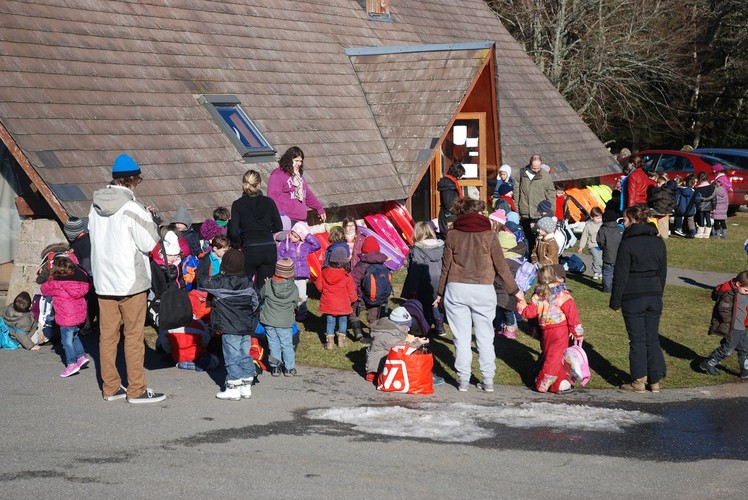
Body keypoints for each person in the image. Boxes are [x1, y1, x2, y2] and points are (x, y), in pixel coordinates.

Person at [88, 152, 165, 403]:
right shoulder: (133, 208)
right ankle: (137, 389)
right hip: (131, 281)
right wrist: (151, 219)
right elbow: (149, 242)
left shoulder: (95, 207)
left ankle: (110, 387)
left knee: (107, 337)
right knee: (133, 337)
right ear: (132, 180)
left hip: (104, 281)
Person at [435, 197, 521, 392]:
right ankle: (488, 380)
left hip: (456, 289)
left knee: (461, 338)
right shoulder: (489, 235)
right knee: (485, 337)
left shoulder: (452, 235)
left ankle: (463, 381)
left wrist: (440, 292)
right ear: (478, 213)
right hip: (483, 289)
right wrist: (515, 291)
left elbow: (445, 267)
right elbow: (502, 267)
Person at [610, 204, 667, 393]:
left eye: (625, 220)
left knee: (637, 339)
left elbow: (620, 275)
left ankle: (638, 380)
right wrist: (659, 293)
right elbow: (662, 272)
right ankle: (655, 380)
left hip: (633, 296)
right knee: (652, 337)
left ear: (633, 220)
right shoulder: (658, 241)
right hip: (653, 295)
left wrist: (615, 301)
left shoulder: (627, 243)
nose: (623, 224)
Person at [202, 248, 260, 400]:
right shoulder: (248, 282)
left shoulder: (220, 282)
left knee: (232, 355)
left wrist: (218, 272)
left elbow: (203, 282)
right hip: (245, 325)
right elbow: (256, 302)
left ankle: (233, 385)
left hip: (229, 325)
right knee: (244, 353)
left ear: (225, 264)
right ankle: (246, 382)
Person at [518, 265, 584, 393]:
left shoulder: (538, 296)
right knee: (553, 358)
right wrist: (578, 333)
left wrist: (521, 301)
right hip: (560, 330)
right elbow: (572, 314)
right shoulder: (563, 295)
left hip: (546, 330)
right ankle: (542, 382)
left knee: (554, 356)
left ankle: (558, 384)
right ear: (554, 276)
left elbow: (528, 313)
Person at [228, 169, 283, 288]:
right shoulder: (269, 202)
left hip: (250, 248)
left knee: (245, 286)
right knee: (264, 287)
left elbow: (233, 231)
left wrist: (240, 242)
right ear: (259, 185)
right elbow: (279, 226)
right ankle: (262, 306)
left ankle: (247, 306)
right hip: (269, 248)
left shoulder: (238, 204)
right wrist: (267, 229)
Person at [40, 254, 90, 378]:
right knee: (75, 335)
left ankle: (71, 363)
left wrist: (50, 277)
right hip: (78, 316)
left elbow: (44, 289)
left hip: (65, 317)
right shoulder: (80, 282)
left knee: (66, 341)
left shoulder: (56, 283)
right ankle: (81, 356)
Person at [699, 271, 748, 378]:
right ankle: (708, 363)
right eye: (746, 290)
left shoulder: (743, 293)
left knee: (745, 347)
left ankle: (745, 369)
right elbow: (723, 309)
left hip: (741, 326)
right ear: (738, 284)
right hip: (733, 327)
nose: (747, 292)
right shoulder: (729, 294)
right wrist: (728, 322)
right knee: (728, 349)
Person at [400, 221, 445, 336]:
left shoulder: (417, 249)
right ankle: (440, 326)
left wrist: (413, 288)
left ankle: (425, 327)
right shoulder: (441, 246)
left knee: (425, 304)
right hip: (440, 278)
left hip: (424, 280)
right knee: (436, 302)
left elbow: (415, 269)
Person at [260, 258, 299, 377]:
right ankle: (289, 368)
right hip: (285, 321)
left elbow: (261, 295)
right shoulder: (294, 288)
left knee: (273, 343)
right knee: (287, 344)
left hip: (269, 319)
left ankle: (275, 368)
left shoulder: (268, 284)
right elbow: (295, 303)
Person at [267, 146, 326, 225]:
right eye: (296, 160)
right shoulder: (278, 175)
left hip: (302, 221)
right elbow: (272, 197)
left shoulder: (298, 176)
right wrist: (281, 216)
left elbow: (306, 193)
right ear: (289, 160)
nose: (299, 163)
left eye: (300, 161)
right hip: (287, 220)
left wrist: (319, 208)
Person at [276, 221, 320, 321]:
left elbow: (317, 245)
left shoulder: (305, 246)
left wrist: (307, 234)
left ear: (301, 237)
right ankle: (289, 313)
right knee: (288, 295)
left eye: (296, 236)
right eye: (292, 233)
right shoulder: (284, 244)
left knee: (301, 296)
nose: (292, 237)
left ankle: (302, 314)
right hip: (288, 275)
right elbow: (279, 258)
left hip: (301, 275)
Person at [315, 246, 358, 350]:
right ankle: (341, 340)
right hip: (343, 302)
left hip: (329, 301)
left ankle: (329, 343)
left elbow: (318, 285)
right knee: (343, 320)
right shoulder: (346, 274)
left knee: (330, 320)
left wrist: (324, 291)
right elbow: (351, 289)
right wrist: (353, 299)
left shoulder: (324, 272)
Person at [351, 236, 391, 338]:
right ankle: (374, 335)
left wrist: (352, 296)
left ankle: (357, 331)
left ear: (364, 249)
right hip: (376, 297)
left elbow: (353, 282)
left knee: (352, 311)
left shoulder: (360, 265)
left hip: (361, 297)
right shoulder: (382, 264)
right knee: (373, 316)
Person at [514, 154, 555, 250]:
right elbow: (516, 193)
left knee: (539, 242)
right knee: (526, 241)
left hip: (539, 214)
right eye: (534, 168)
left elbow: (551, 194)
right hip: (524, 213)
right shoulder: (521, 174)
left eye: (538, 168)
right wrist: (516, 211)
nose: (536, 170)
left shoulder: (545, 175)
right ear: (529, 164)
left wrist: (551, 212)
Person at [597, 210, 623, 293]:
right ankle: (617, 287)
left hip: (608, 255)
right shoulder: (620, 229)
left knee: (607, 272)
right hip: (619, 255)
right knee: (618, 273)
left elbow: (600, 241)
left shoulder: (603, 229)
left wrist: (603, 247)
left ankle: (607, 289)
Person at [437, 162, 465, 238]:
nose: (461, 177)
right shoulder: (449, 184)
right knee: (450, 238)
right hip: (449, 216)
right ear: (457, 174)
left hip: (448, 214)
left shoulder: (450, 183)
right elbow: (449, 204)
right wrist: (459, 212)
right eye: (461, 175)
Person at [577, 207, 603, 280]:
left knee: (602, 259)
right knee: (597, 258)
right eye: (597, 218)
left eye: (600, 218)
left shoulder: (603, 225)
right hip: (592, 245)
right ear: (592, 217)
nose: (599, 220)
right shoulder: (588, 226)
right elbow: (584, 236)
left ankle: (601, 271)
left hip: (601, 245)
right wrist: (581, 247)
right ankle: (596, 271)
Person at [693, 172, 716, 238]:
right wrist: (714, 207)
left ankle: (700, 233)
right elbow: (714, 198)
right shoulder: (712, 187)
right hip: (709, 206)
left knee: (701, 219)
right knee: (708, 219)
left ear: (699, 179)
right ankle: (707, 234)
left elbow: (696, 199)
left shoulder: (698, 189)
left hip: (701, 206)